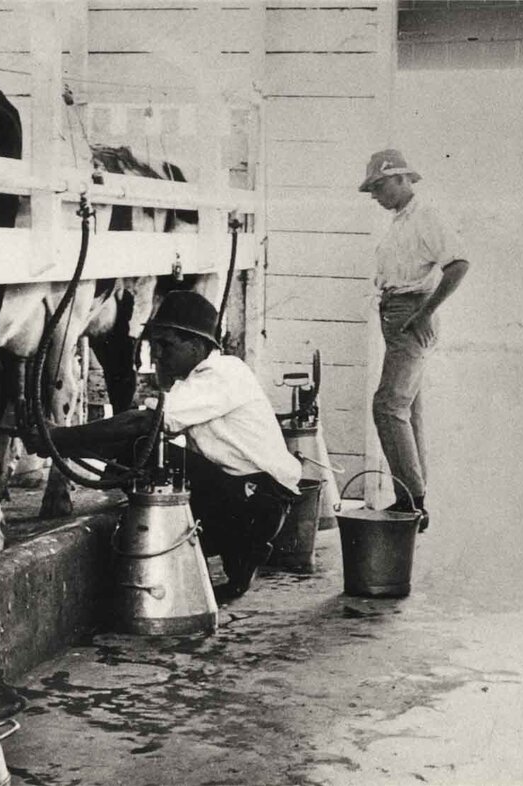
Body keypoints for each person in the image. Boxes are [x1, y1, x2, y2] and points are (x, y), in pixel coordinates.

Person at [29, 290, 302, 600]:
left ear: (197, 345)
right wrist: (59, 446)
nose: (156, 354)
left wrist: (58, 438)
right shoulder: (197, 382)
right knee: (143, 449)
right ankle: (239, 554)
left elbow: (144, 423)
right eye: (153, 345)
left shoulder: (221, 373)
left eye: (165, 345)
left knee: (142, 447)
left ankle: (241, 548)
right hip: (251, 495)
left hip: (259, 499)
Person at [359, 149, 470, 532]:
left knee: (387, 406)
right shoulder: (401, 219)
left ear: (402, 179)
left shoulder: (426, 215)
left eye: (378, 187)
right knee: (408, 409)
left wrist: (423, 314)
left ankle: (412, 504)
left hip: (410, 315)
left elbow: (458, 265)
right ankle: (414, 498)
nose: (375, 196)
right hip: (396, 313)